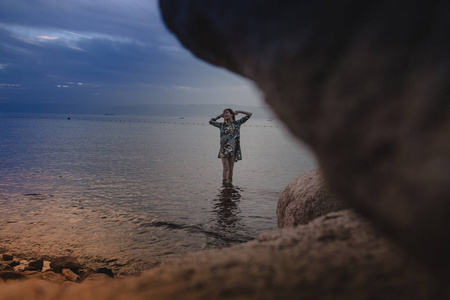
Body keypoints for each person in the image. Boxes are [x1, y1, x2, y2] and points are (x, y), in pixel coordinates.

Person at [209, 108, 252, 182]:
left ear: (231, 114)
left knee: (231, 168)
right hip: (224, 149)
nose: (225, 114)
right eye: (224, 113)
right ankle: (224, 184)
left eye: (227, 112)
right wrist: (219, 116)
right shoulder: (222, 125)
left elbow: (249, 114)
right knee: (225, 168)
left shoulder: (237, 123)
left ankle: (229, 184)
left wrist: (239, 111)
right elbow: (211, 121)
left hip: (233, 149)